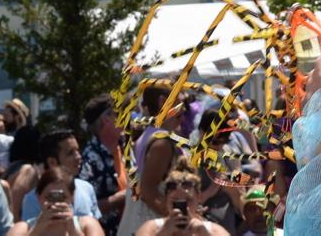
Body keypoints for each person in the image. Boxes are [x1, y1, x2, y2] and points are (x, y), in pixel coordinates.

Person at [115, 88, 181, 236]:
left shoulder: (149, 134)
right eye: (179, 101)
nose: (184, 109)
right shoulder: (162, 143)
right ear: (163, 102)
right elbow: (147, 191)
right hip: (149, 225)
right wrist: (178, 219)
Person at [21, 131, 102, 223]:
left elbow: (97, 227)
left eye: (78, 150)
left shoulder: (87, 188)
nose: (78, 157)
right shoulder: (32, 200)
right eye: (70, 153)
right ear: (52, 162)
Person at [7, 168, 103, 236]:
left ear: (72, 196)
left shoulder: (88, 224)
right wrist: (37, 230)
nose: (56, 203)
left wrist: (72, 229)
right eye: (49, 197)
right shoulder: (22, 229)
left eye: (62, 197)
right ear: (39, 197)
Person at [133, 169, 230, 236]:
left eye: (188, 200)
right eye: (175, 201)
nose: (184, 207)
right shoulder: (152, 227)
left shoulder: (213, 230)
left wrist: (204, 233)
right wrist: (163, 232)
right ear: (166, 200)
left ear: (199, 197)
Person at [78, 96, 124, 235]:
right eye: (119, 112)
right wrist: (123, 197)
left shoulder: (126, 147)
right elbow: (85, 210)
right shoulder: (89, 160)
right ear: (106, 119)